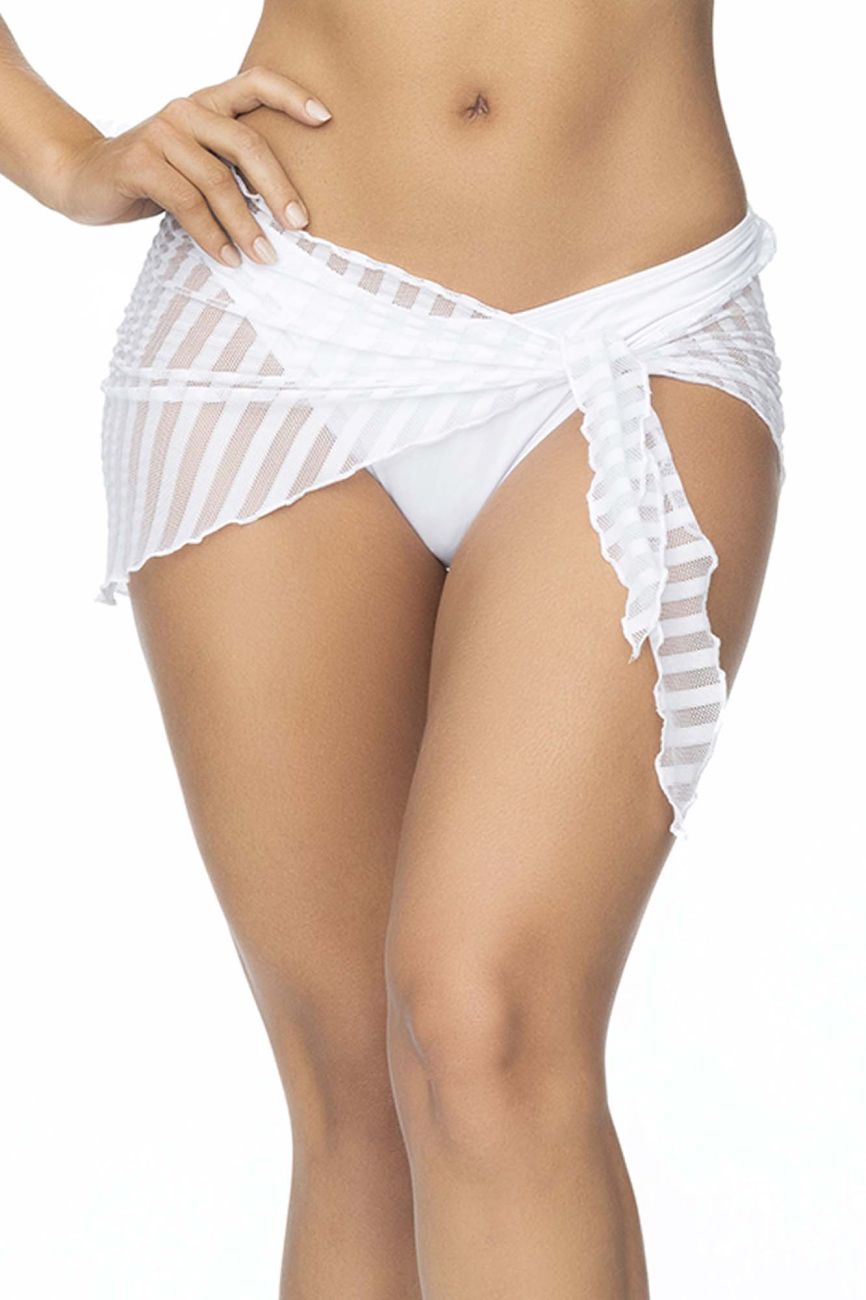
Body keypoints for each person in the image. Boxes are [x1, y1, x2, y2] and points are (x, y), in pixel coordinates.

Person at [0, 4, 785, 1296]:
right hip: (272, 313)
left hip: (636, 325)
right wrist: (59, 155)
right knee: (355, 1091)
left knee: (487, 1025)